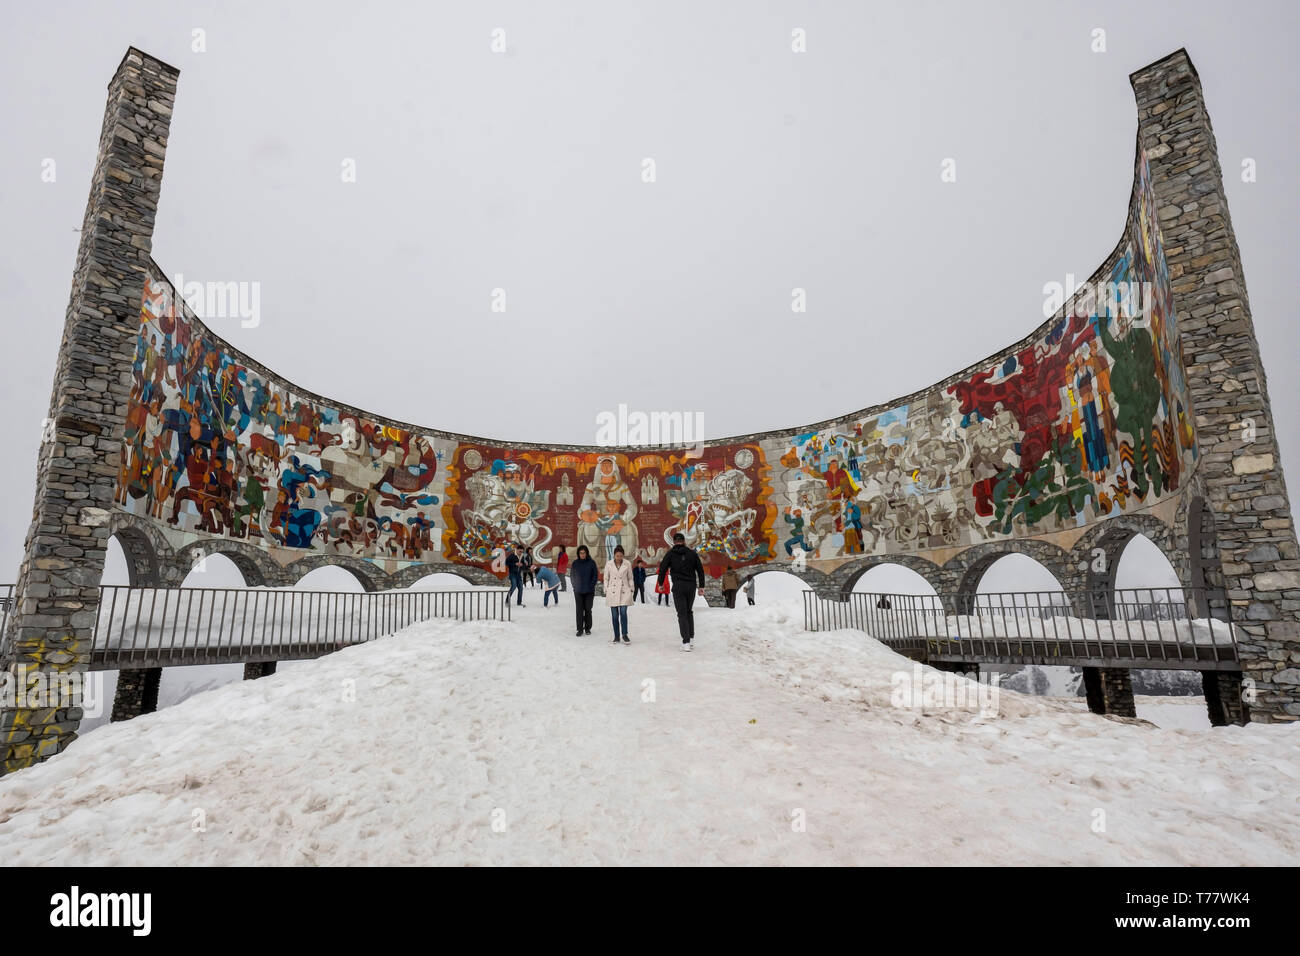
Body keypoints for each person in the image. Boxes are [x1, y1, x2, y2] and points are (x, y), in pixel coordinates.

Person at [658, 532, 705, 651]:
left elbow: (663, 568)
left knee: (682, 613)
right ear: (684, 541)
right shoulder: (692, 553)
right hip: (691, 586)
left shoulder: (670, 554)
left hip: (678, 586)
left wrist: (661, 583)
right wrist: (701, 586)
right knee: (689, 611)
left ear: (674, 542)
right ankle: (691, 638)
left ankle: (686, 642)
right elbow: (700, 570)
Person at [603, 545, 635, 644]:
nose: (619, 558)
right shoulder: (609, 564)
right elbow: (606, 578)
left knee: (623, 612)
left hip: (624, 591)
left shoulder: (627, 564)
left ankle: (625, 635)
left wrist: (631, 588)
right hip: (612, 591)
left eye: (621, 556)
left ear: (623, 555)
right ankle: (616, 636)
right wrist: (606, 589)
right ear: (614, 555)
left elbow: (630, 577)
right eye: (617, 556)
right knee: (614, 615)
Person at [569, 544, 598, 636]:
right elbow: (572, 575)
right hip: (578, 591)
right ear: (578, 554)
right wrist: (574, 586)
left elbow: (595, 575)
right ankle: (580, 629)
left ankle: (588, 628)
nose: (582, 555)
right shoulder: (575, 563)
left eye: (584, 553)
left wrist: (591, 585)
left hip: (589, 591)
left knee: (588, 609)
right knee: (579, 610)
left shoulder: (591, 563)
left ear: (587, 553)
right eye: (581, 553)